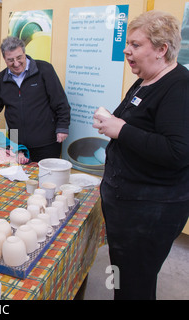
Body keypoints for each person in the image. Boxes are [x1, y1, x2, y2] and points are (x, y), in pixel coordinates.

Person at [93, 10, 189, 300]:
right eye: (128, 44)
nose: (126, 50)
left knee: (135, 283)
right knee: (123, 276)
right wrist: (114, 123)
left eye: (136, 45)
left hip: (149, 213)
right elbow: (139, 125)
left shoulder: (179, 86)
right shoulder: (146, 79)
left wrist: (120, 129)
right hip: (127, 207)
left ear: (161, 50)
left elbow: (178, 151)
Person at [0, 36, 70, 163]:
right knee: (20, 179)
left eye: (19, 58)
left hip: (46, 142)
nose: (16, 63)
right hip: (18, 145)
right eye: (10, 60)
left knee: (46, 179)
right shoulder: (1, 79)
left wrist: (62, 127)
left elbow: (60, 101)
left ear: (24, 53)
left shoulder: (44, 70)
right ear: (4, 59)